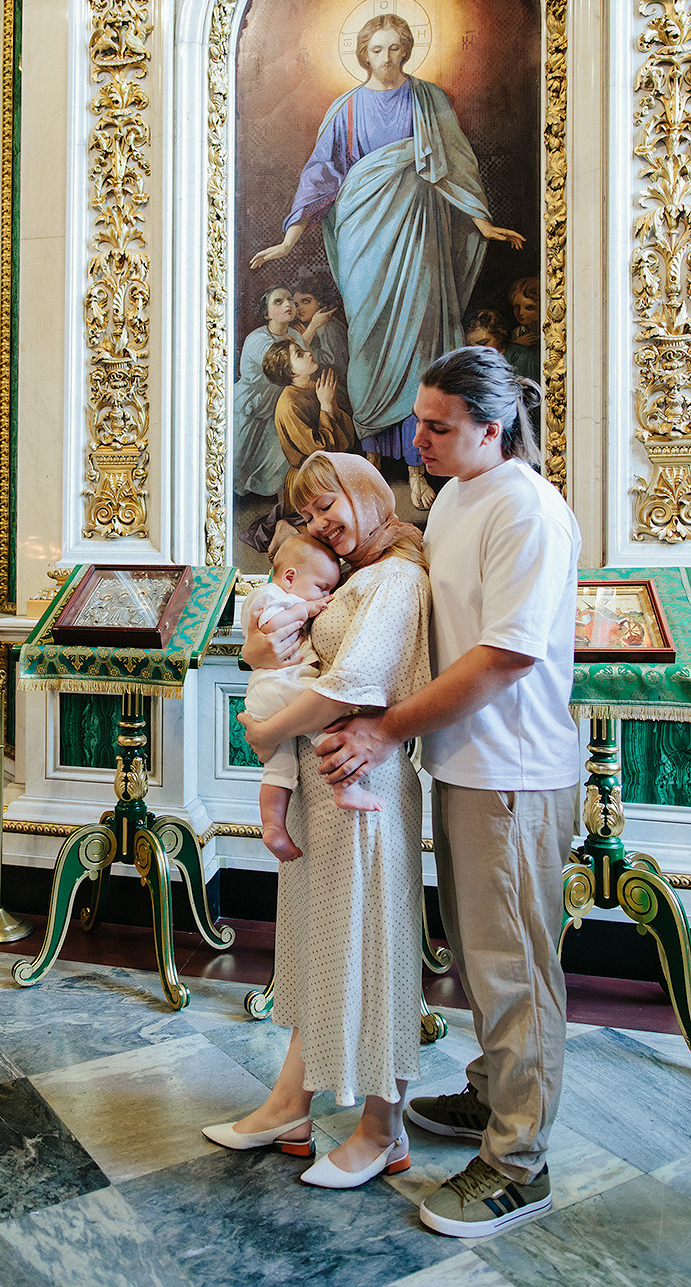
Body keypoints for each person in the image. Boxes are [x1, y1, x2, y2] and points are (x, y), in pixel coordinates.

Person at [315, 345, 580, 1238]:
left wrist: (386, 728)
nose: (415, 436)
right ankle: (490, 1094)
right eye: (420, 420)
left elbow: (506, 656)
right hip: (464, 767)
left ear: (490, 430)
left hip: (514, 774)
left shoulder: (527, 510)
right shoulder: (459, 495)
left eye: (437, 425)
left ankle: (518, 1163)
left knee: (514, 974)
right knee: (476, 957)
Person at [203, 452, 431, 1190]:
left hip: (358, 782)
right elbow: (270, 649)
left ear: (366, 495)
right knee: (326, 944)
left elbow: (351, 684)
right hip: (323, 789)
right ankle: (288, 1108)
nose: (320, 523)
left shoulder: (395, 576)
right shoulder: (356, 573)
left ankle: (382, 1130)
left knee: (371, 945)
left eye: (329, 505)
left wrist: (267, 736)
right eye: (308, 513)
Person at [249, 13, 524, 512]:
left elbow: (455, 161)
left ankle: (417, 468)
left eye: (397, 48)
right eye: (377, 49)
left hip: (419, 235)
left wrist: (481, 223)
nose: (388, 58)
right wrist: (289, 241)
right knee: (371, 346)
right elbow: (320, 174)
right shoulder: (347, 109)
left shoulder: (428, 99)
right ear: (363, 53)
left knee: (420, 340)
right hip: (364, 239)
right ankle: (374, 458)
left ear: (409, 50)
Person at [240, 532, 348, 862]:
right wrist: (307, 607)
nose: (326, 597)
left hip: (267, 695)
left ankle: (273, 826)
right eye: (322, 587)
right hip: (279, 687)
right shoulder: (271, 595)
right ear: (290, 577)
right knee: (328, 720)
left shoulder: (284, 594)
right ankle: (346, 786)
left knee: (279, 767)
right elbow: (270, 626)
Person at [261, 338, 355, 512]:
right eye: (299, 354)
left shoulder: (314, 387)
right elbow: (316, 450)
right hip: (307, 481)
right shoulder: (289, 404)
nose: (308, 353)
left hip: (327, 471)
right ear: (291, 373)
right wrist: (326, 407)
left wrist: (331, 405)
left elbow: (348, 438)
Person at [232, 286, 304, 499]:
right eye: (279, 302)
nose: (288, 305)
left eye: (290, 299)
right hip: (253, 403)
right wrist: (313, 328)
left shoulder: (294, 335)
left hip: (278, 402)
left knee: (278, 456)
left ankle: (282, 504)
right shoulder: (257, 339)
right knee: (241, 457)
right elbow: (285, 367)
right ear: (266, 314)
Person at [292, 278, 349, 386]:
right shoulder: (309, 325)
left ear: (319, 301)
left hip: (335, 385)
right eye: (296, 304)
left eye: (306, 301)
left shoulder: (327, 325)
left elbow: (333, 361)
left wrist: (308, 351)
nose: (300, 308)